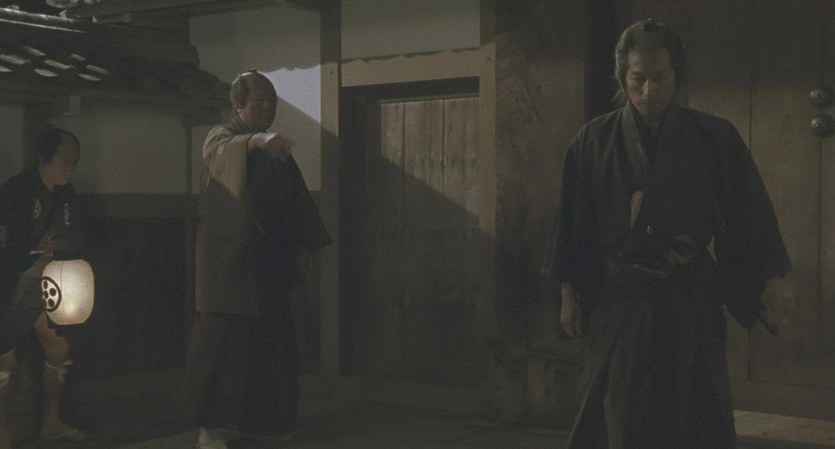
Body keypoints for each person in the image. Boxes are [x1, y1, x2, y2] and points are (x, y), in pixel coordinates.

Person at [544, 19, 792, 449]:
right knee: (621, 412)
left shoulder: (715, 137)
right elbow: (572, 225)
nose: (648, 91)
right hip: (621, 296)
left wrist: (765, 284)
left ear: (677, 74)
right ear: (622, 77)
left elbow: (748, 216)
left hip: (689, 293)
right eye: (638, 79)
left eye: (659, 78)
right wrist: (569, 293)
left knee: (694, 414)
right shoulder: (592, 141)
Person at [181, 70, 331, 449]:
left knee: (273, 343)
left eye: (272, 101)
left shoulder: (276, 152)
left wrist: (304, 244)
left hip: (270, 259)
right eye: (259, 101)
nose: (267, 107)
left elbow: (296, 200)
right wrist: (257, 141)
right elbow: (222, 155)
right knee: (222, 346)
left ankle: (266, 422)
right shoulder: (222, 138)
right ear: (238, 105)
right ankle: (211, 428)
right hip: (230, 262)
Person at [0, 127, 87, 447]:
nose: (70, 169)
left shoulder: (66, 192)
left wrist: (58, 248)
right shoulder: (16, 190)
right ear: (43, 158)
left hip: (47, 281)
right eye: (64, 162)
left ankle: (51, 422)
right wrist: (34, 250)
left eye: (74, 163)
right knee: (4, 359)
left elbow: (74, 234)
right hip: (10, 284)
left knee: (59, 347)